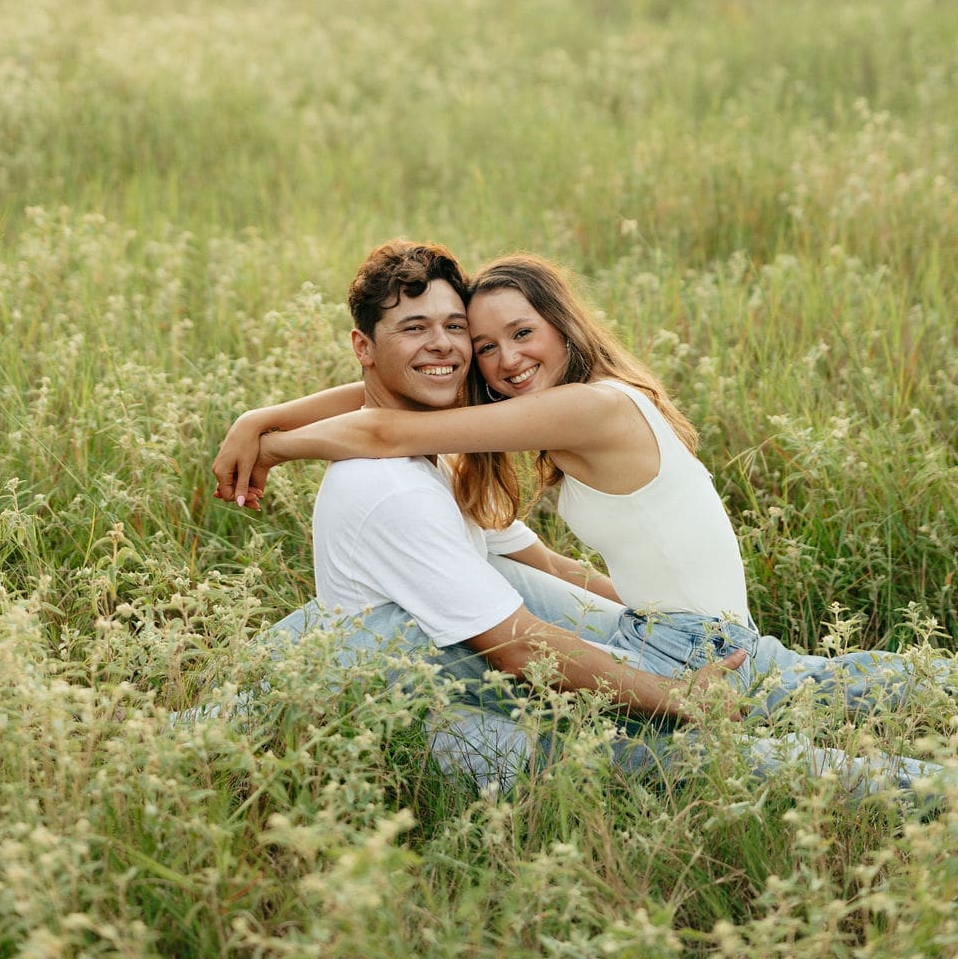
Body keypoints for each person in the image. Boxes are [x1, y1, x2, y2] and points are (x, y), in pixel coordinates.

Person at [213, 243, 950, 801]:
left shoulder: (591, 404)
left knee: (826, 701)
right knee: (842, 686)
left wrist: (268, 443)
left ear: (563, 326)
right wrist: (260, 414)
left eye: (520, 334)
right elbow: (394, 388)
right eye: (486, 345)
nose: (500, 360)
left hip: (696, 639)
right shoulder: (526, 400)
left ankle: (918, 784)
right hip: (659, 625)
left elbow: (381, 423)